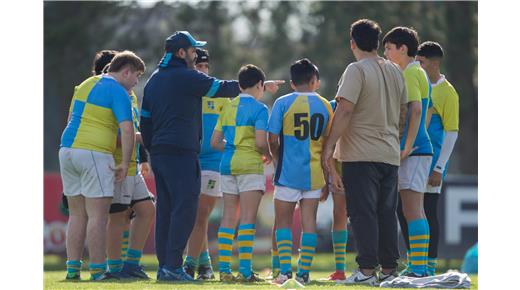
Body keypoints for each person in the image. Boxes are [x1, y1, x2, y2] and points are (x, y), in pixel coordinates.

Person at [140, 31, 282, 281]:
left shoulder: (154, 80)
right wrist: (255, 87)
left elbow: (146, 120)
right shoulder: (186, 76)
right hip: (181, 153)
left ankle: (165, 267)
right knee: (185, 209)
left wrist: (153, 149)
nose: (196, 55)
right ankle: (173, 267)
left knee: (165, 210)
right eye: (193, 51)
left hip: (160, 154)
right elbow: (222, 88)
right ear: (181, 53)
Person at [322, 19, 407, 286]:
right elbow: (403, 112)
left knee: (362, 212)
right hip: (389, 153)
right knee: (386, 213)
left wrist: (329, 148)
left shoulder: (355, 69)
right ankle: (390, 270)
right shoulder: (395, 70)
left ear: (353, 43)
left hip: (360, 153)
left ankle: (367, 271)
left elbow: (344, 110)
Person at [59, 50, 145, 281]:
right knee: (98, 216)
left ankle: (72, 270)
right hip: (94, 153)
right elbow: (127, 130)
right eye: (136, 76)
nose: (136, 82)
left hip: (66, 150)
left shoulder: (85, 84)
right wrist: (124, 162)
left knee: (77, 215)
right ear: (125, 71)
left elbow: (71, 119)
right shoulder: (119, 91)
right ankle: (98, 271)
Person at [268, 58, 333, 285]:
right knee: (309, 224)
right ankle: (304, 272)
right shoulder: (326, 105)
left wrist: (277, 159)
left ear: (293, 83)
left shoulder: (282, 103)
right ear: (314, 80)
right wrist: (328, 175)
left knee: (283, 222)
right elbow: (328, 143)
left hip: (287, 173)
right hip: (314, 174)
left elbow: (272, 139)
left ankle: (285, 272)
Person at [211, 64, 272, 283]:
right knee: (247, 219)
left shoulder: (227, 107)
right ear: (259, 85)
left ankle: (224, 270)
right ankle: (245, 271)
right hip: (249, 167)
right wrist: (269, 155)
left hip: (227, 165)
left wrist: (232, 147)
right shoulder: (260, 109)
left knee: (228, 218)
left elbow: (214, 142)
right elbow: (260, 142)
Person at [383, 26, 434, 277]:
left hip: (414, 151)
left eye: (389, 48)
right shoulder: (415, 72)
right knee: (414, 209)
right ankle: (419, 266)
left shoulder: (411, 73)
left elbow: (415, 110)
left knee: (412, 210)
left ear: (403, 49)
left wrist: (406, 146)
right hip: (417, 149)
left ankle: (418, 268)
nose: (386, 53)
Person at [183, 48, 229, 280]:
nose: (202, 71)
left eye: (205, 67)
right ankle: (206, 266)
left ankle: (190, 265)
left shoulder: (219, 93)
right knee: (192, 216)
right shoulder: (185, 93)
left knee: (200, 215)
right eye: (197, 66)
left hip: (212, 162)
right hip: (187, 159)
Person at [106, 74, 156, 279]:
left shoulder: (132, 96)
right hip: (119, 166)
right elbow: (115, 136)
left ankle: (131, 264)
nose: (136, 80)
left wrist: (143, 155)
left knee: (147, 210)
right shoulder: (110, 95)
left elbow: (132, 129)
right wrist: (147, 138)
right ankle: (114, 268)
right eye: (135, 74)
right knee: (118, 217)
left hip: (134, 168)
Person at [416, 41, 459, 276]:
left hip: (432, 164)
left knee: (429, 212)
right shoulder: (417, 86)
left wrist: (439, 168)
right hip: (413, 160)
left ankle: (429, 266)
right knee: (408, 211)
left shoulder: (447, 92)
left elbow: (451, 132)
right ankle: (416, 264)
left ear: (433, 62)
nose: (417, 66)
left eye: (420, 62)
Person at [321, 99, 349, 282]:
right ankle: (340, 270)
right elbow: (327, 145)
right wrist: (331, 173)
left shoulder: (365, 105)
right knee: (339, 215)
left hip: (363, 167)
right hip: (339, 169)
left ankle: (371, 267)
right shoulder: (331, 107)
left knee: (368, 216)